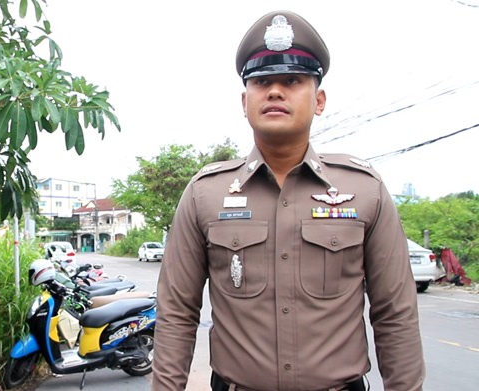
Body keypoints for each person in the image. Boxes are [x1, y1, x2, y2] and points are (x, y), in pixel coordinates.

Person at [152, 10, 425, 391]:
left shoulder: (364, 189)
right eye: (262, 81)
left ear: (319, 100)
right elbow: (177, 313)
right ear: (244, 100)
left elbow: (394, 314)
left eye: (293, 81)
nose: (275, 91)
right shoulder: (205, 193)